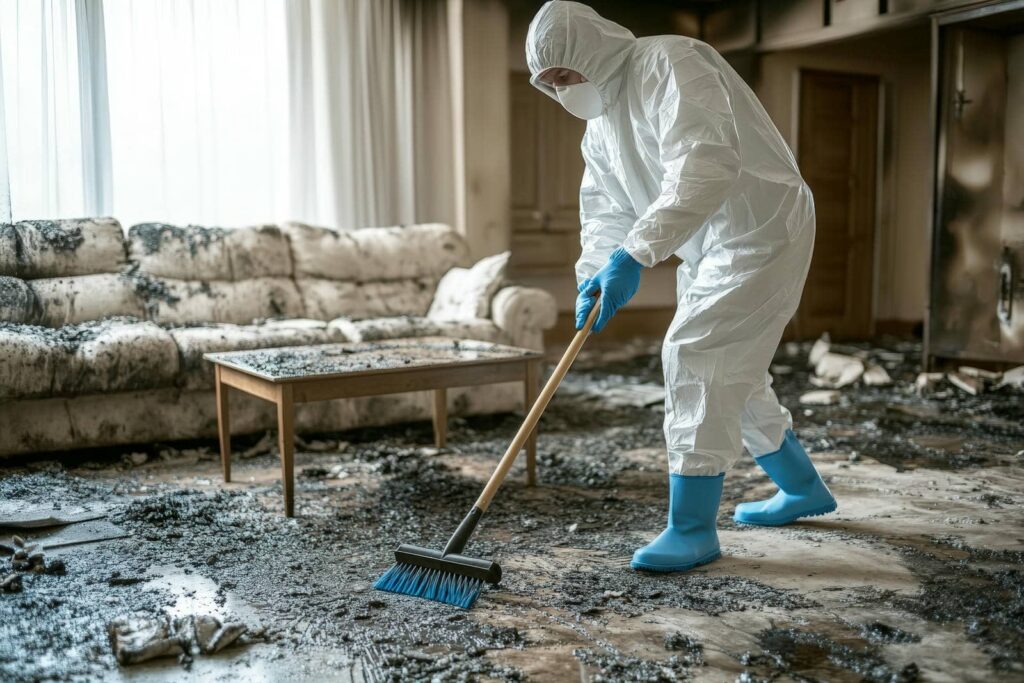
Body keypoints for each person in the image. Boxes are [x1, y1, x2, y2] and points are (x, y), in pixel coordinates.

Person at [527, 1, 836, 572]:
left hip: (759, 226)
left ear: (591, 48)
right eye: (550, 84)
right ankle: (802, 489)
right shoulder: (599, 131)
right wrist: (593, 274)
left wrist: (635, 255)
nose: (563, 89)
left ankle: (691, 528)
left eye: (566, 72)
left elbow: (706, 161)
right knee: (732, 371)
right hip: (707, 242)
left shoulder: (668, 60)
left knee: (696, 351)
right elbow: (604, 211)